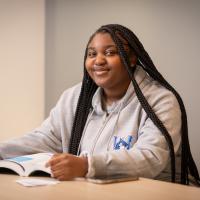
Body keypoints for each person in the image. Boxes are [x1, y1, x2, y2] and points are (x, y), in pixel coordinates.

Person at [0, 24, 199, 185]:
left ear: (131, 59)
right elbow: (46, 138)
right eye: (92, 54)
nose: (98, 60)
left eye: (110, 52)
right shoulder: (75, 97)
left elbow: (151, 158)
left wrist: (87, 165)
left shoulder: (160, 100)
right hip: (94, 191)